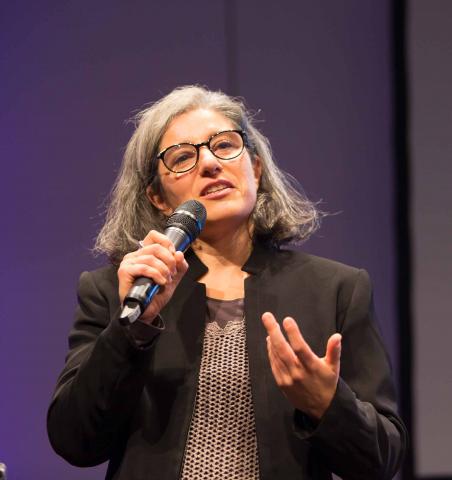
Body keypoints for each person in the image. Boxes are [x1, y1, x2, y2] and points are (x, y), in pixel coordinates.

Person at [47, 85, 407, 480]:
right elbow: (75, 441)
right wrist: (131, 330)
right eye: (183, 157)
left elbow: (381, 460)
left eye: (224, 146)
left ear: (254, 168)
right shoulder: (120, 290)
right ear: (158, 198)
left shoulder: (336, 289)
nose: (209, 164)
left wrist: (327, 403)